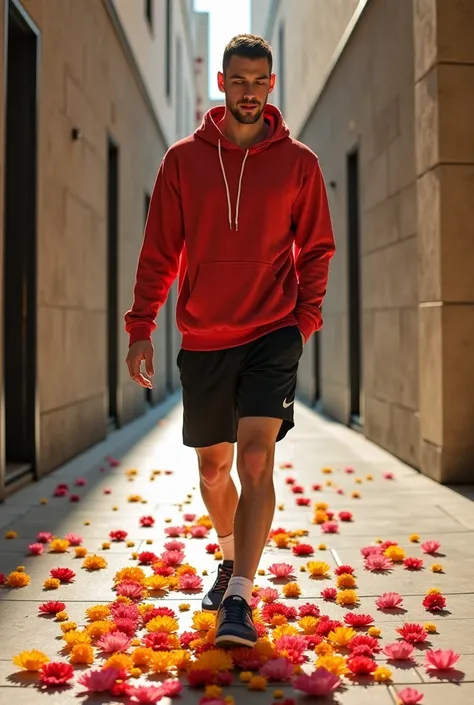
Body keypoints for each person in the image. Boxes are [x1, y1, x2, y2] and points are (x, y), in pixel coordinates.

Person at [125, 33, 335, 648]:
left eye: (259, 81)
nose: (249, 92)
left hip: (273, 330)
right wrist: (142, 327)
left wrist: (303, 322)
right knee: (216, 470)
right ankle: (226, 555)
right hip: (206, 333)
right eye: (238, 81)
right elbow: (159, 251)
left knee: (257, 459)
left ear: (272, 85)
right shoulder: (182, 161)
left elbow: (317, 248)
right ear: (222, 84)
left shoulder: (300, 163)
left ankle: (240, 598)